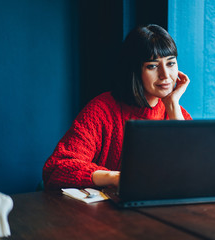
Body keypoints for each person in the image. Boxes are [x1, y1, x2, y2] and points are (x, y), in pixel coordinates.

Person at [42, 24, 191, 189]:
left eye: (171, 64)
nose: (165, 75)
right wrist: (115, 177)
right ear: (134, 70)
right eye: (152, 66)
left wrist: (173, 105)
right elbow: (56, 168)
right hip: (105, 211)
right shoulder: (102, 110)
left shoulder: (177, 112)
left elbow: (194, 171)